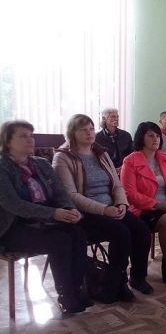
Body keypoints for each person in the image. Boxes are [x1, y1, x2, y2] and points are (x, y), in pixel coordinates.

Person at [53, 114, 153, 298]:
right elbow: (71, 196)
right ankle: (114, 283)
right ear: (72, 133)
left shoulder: (100, 153)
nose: (89, 133)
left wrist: (121, 203)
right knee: (121, 232)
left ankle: (138, 277)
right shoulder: (63, 157)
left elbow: (117, 185)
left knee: (142, 230)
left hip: (111, 208)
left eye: (91, 129)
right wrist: (104, 210)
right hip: (84, 213)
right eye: (83, 129)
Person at [0, 120, 90, 315]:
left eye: (31, 135)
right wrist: (53, 213)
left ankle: (77, 289)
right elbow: (13, 204)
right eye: (23, 136)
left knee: (78, 233)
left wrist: (69, 209)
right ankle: (66, 295)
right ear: (7, 141)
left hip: (44, 220)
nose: (30, 140)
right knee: (60, 240)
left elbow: (60, 192)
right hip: (14, 226)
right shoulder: (2, 167)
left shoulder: (41, 163)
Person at [120, 121, 166, 286]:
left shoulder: (164, 158)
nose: (155, 139)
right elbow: (129, 193)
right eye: (151, 136)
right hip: (143, 208)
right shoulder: (130, 161)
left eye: (157, 136)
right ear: (141, 138)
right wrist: (156, 204)